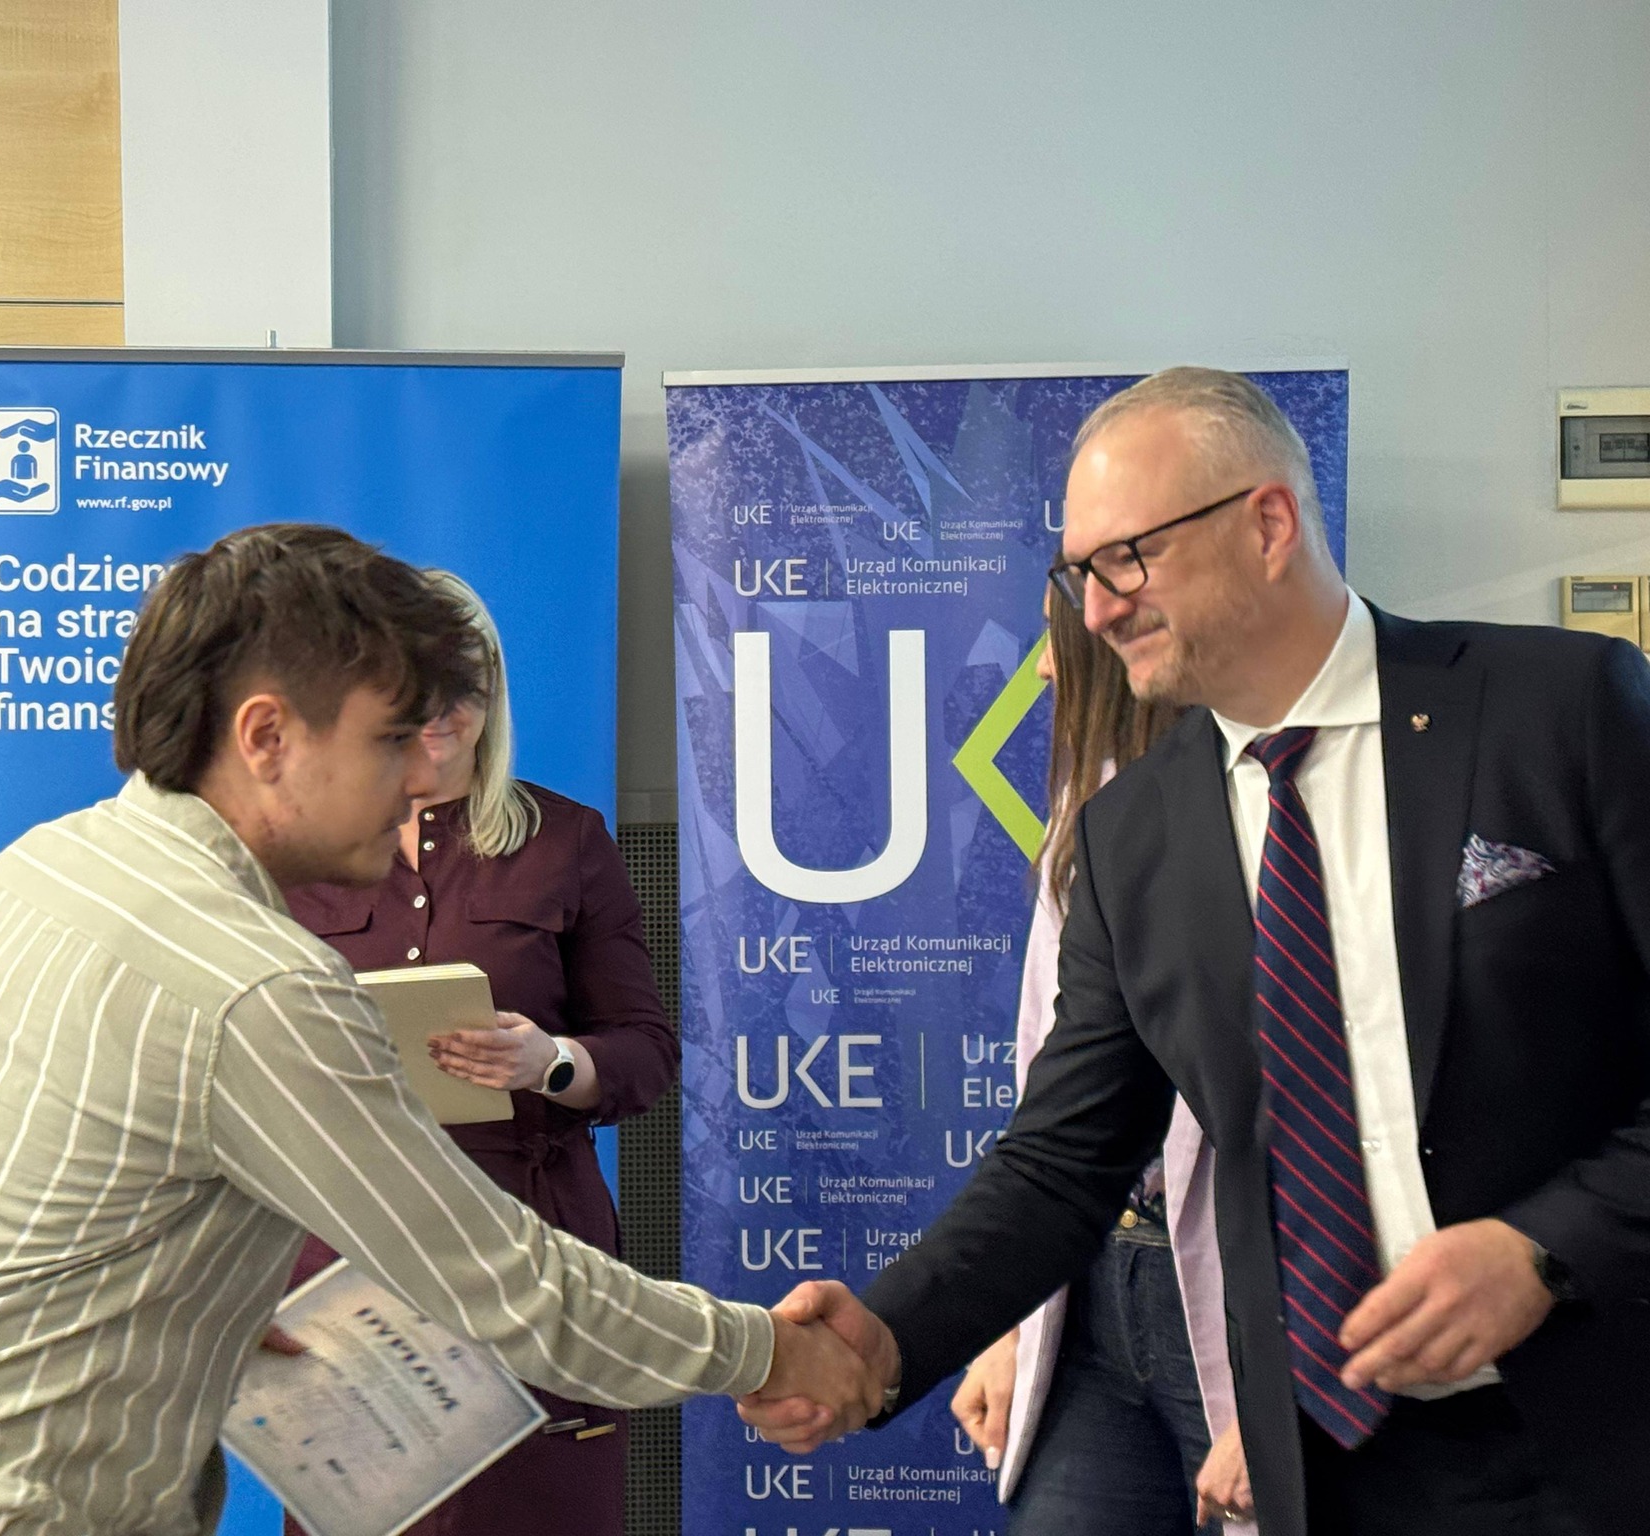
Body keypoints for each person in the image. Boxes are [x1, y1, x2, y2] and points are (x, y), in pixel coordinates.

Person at [0, 524, 879, 1536]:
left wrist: (185, 1309)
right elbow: (505, 1284)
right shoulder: (256, 984)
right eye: (390, 739)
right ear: (266, 735)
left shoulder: (31, 874)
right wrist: (767, 1351)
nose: (419, 776)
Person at [741, 368, 1650, 1536]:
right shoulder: (1132, 835)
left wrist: (1540, 1249)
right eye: (1077, 575)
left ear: (1266, 524)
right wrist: (886, 1334)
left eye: (1126, 560)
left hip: (1598, 1430)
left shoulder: (1560, 706)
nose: (1094, 611)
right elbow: (1061, 1159)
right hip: (1327, 1462)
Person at [275, 571, 673, 1536]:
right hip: (353, 1255)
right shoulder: (303, 850)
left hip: (531, 1246)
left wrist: (551, 1063)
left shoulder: (566, 840)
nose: (445, 710)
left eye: (468, 683)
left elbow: (647, 1052)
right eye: (419, 685)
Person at [950, 590, 1256, 1532]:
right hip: (1092, 1292)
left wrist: (1294, 1390)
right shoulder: (1087, 819)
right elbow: (1055, 1110)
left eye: (1058, 638)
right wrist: (1012, 1324)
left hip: (1245, 1310)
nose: (1046, 666)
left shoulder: (1265, 813)